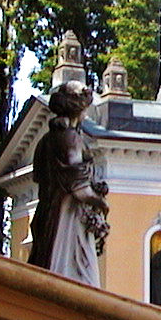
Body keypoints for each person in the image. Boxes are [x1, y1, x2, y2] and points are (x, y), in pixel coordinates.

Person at [28, 80, 110, 286]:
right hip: (69, 220)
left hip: (48, 216)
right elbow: (79, 189)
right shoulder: (71, 139)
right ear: (78, 110)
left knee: (47, 267)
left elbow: (40, 177)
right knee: (80, 277)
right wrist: (102, 204)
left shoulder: (45, 141)